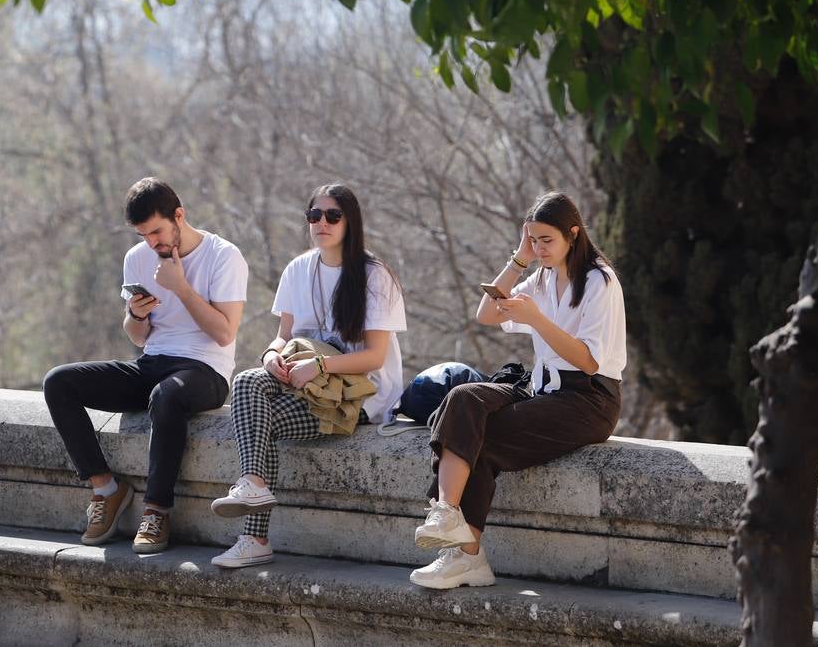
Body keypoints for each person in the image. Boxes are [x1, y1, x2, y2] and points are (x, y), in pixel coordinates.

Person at [409, 191, 626, 589]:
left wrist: (537, 319)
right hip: (541, 388)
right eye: (533, 240)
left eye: (547, 240)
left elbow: (590, 362)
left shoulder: (599, 281)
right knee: (463, 398)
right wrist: (518, 260)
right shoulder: (540, 276)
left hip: (589, 398)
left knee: (481, 440)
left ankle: (466, 557)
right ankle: (445, 513)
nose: (539, 249)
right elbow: (487, 313)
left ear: (572, 234)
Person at [42, 178, 248, 554]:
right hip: (152, 361)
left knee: (165, 396)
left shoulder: (223, 255)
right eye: (143, 234)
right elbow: (137, 337)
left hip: (205, 370)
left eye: (156, 231)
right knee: (59, 382)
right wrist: (135, 316)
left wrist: (181, 287)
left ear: (179, 216)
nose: (151, 242)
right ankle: (105, 488)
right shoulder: (137, 258)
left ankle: (156, 510)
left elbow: (224, 332)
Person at [209, 183, 406, 568]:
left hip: (357, 395)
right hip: (305, 379)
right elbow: (284, 335)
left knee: (260, 423)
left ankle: (254, 537)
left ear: (351, 222)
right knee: (248, 381)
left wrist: (318, 366)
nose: (322, 223)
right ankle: (253, 485)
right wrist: (270, 355)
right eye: (314, 216)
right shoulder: (298, 269)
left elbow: (375, 356)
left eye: (333, 216)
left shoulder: (374, 275)